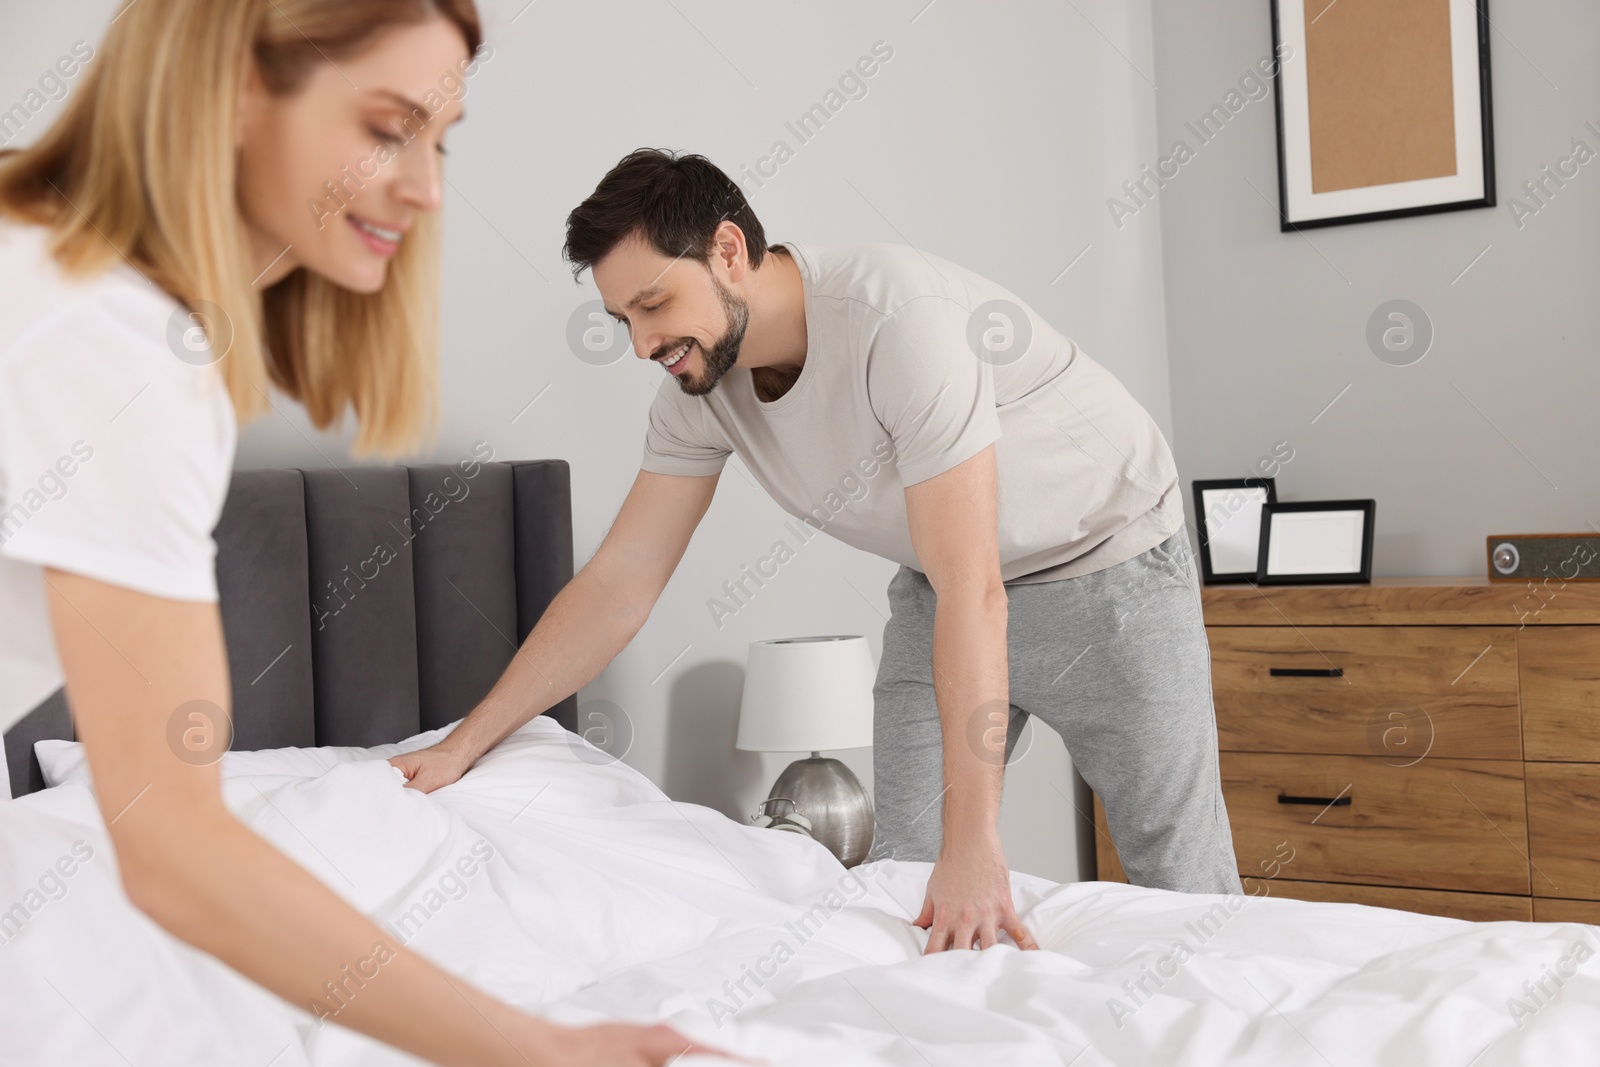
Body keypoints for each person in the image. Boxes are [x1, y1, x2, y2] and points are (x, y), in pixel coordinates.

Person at [0, 6, 721, 1065]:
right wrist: (545, 1050)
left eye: (442, 139)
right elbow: (176, 846)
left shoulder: (47, 255)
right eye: (388, 127)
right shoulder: (112, 342)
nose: (429, 188)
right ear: (235, 86)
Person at [392, 149, 1244, 955]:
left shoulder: (897, 325)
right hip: (942, 589)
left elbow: (976, 585)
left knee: (1181, 877)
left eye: (653, 305)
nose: (642, 344)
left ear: (728, 250)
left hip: (1110, 563)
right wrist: (467, 743)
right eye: (623, 320)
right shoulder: (699, 389)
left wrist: (978, 842)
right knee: (906, 882)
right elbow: (619, 583)